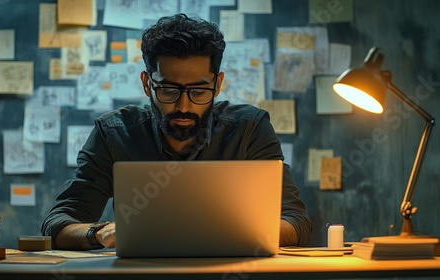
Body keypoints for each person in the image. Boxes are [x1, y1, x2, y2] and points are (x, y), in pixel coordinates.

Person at [41, 13, 312, 250]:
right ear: (147, 84)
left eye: (198, 91)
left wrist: (223, 234)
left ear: (217, 85)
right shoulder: (113, 134)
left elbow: (296, 222)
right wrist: (99, 233)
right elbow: (57, 224)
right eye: (169, 90)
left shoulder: (249, 129)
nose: (184, 106)